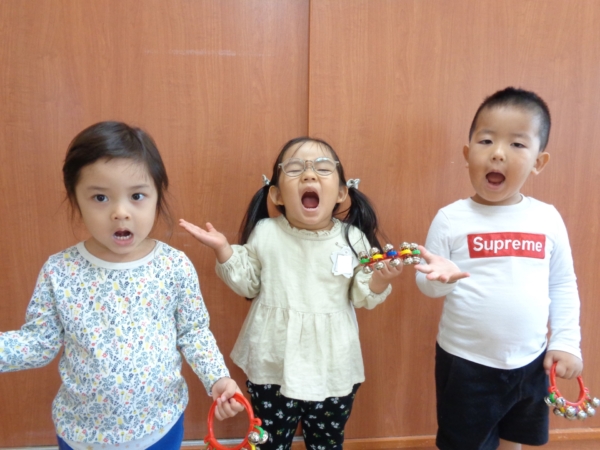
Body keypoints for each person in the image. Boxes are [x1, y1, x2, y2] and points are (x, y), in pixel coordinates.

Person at [0, 121, 243, 450]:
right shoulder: (59, 271)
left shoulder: (173, 266)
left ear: (157, 197)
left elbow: (194, 332)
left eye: (137, 196)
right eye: (100, 197)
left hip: (160, 426)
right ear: (76, 200)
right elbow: (38, 343)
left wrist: (218, 377)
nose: (120, 212)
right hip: (82, 434)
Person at [180, 137, 403, 450]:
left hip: (334, 365)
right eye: (295, 169)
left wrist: (380, 280)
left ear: (341, 192)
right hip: (272, 362)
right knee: (269, 441)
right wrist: (223, 250)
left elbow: (361, 295)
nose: (309, 175)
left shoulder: (353, 238)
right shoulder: (266, 232)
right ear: (276, 194)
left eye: (323, 168)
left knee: (327, 443)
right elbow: (248, 284)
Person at [415, 87, 583, 450]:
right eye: (486, 140)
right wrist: (440, 280)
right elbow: (426, 284)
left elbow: (562, 284)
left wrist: (567, 342)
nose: (498, 153)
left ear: (539, 162)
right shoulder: (451, 219)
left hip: (531, 360)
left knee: (515, 439)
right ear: (467, 154)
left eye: (517, 144)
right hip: (466, 363)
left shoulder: (547, 218)